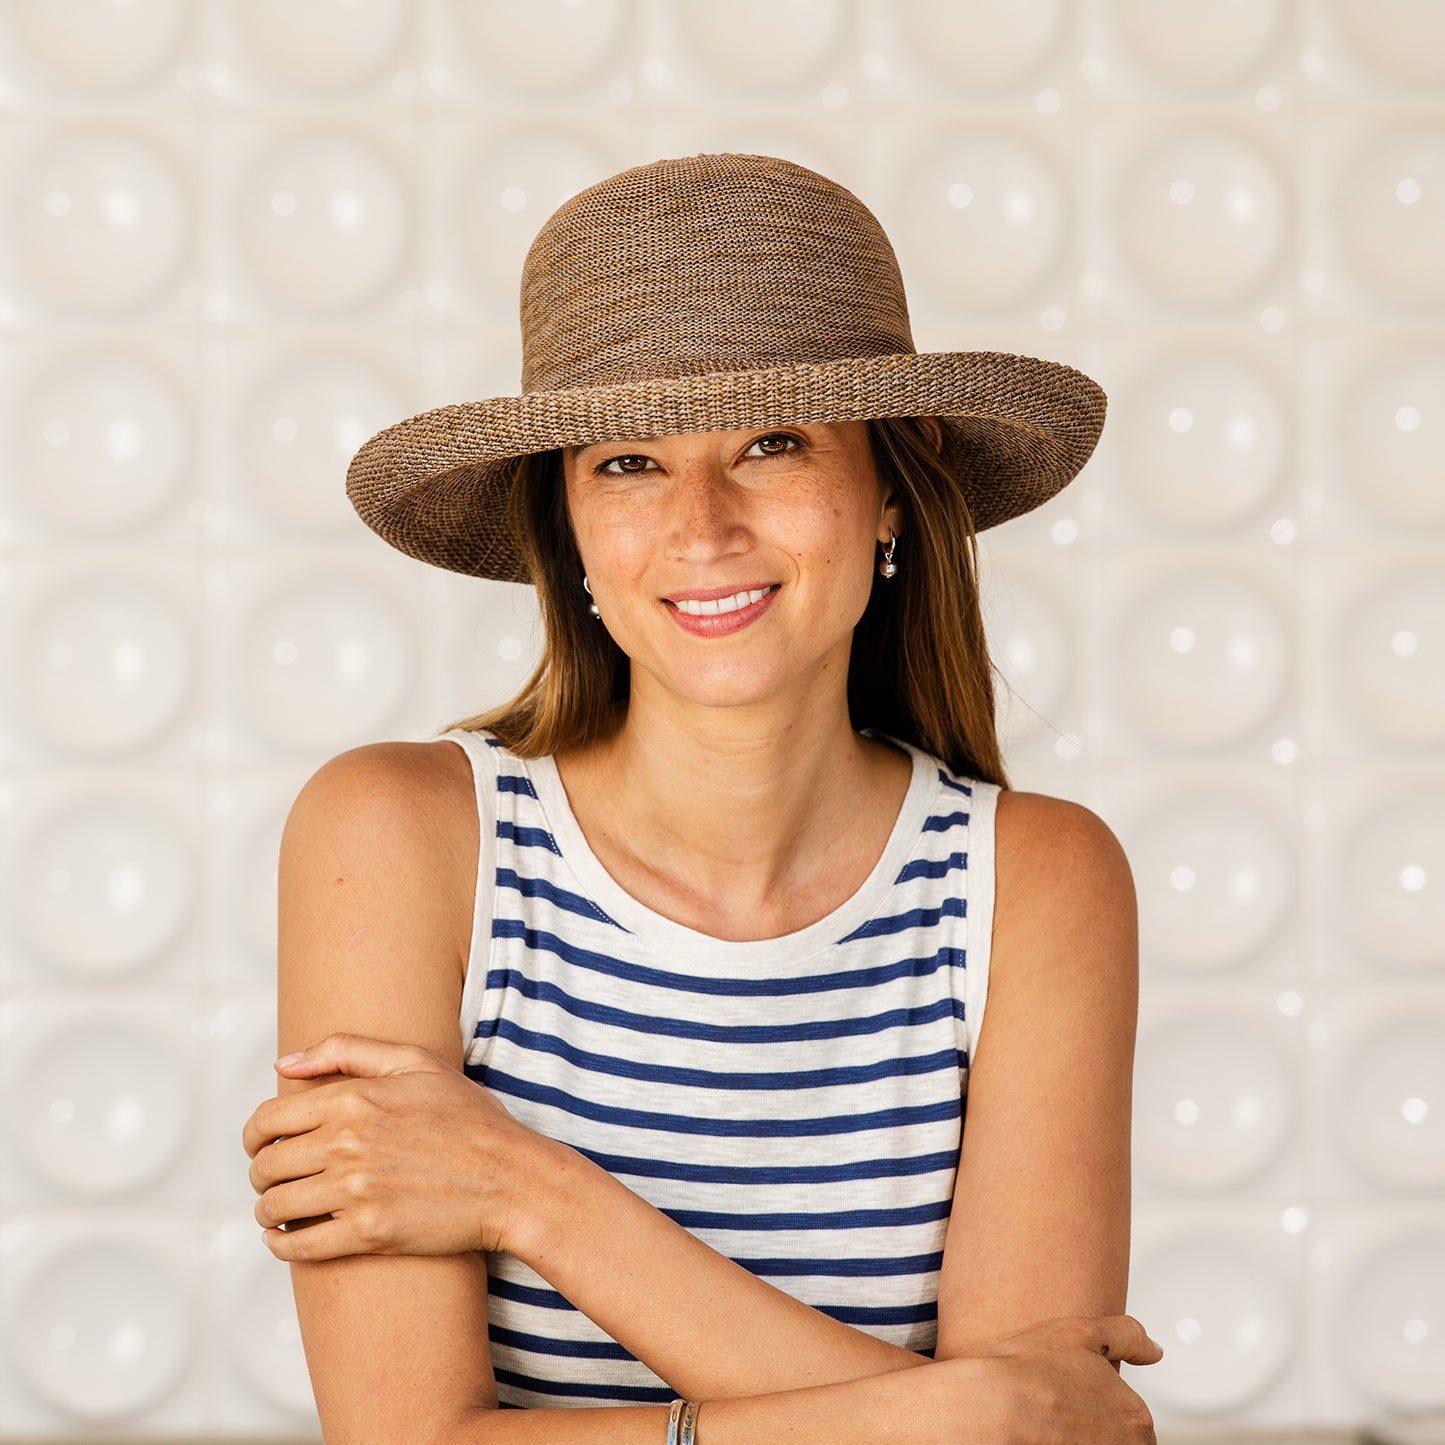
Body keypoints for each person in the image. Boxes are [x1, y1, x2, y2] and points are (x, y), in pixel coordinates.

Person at [242, 152, 1162, 1443]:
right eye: (627, 462)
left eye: (773, 443)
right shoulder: (400, 834)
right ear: (564, 524)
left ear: (891, 483)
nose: (703, 525)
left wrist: (526, 1191)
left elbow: (1022, 1438)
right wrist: (934, 1412)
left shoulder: (1038, 880)